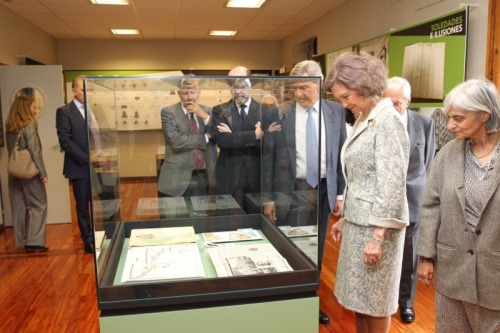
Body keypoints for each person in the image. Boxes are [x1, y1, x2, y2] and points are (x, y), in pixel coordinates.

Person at [327, 52, 410, 333]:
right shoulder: (366, 117)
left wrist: (378, 236)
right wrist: (346, 217)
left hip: (377, 230)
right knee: (360, 301)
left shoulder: (388, 120)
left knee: (375, 303)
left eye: (347, 96)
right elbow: (361, 177)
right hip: (359, 223)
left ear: (365, 87)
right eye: (340, 98)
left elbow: (392, 183)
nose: (344, 103)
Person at [262, 60, 347, 324]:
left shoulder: (336, 112)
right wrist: (268, 198)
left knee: (316, 248)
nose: (299, 94)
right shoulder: (280, 113)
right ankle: (289, 301)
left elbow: (341, 155)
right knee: (292, 245)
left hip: (323, 190)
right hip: (292, 190)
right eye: (295, 88)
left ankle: (310, 300)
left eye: (305, 87)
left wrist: (341, 194)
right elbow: (269, 157)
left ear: (319, 85)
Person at [417, 78, 500, 332]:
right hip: (452, 272)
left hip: (494, 276)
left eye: (459, 118)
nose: (450, 125)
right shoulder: (447, 155)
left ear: (484, 115)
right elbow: (431, 206)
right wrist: (426, 256)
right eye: (449, 117)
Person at [383, 76, 436, 324]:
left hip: (413, 199)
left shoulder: (424, 124)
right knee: (382, 252)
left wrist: (417, 189)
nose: (392, 108)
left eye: (397, 103)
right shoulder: (378, 123)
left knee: (410, 255)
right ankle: (384, 299)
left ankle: (406, 302)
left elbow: (427, 163)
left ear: (409, 101)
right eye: (387, 102)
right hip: (384, 199)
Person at [211, 66, 266, 211]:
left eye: (242, 86)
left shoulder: (264, 110)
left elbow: (266, 144)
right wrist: (254, 136)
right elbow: (223, 141)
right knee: (227, 221)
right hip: (228, 175)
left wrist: (233, 135)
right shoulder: (219, 110)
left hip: (256, 175)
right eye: (234, 87)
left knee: (255, 221)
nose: (238, 92)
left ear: (251, 85)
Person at [157, 77, 216, 198]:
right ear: (179, 94)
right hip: (176, 174)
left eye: (193, 92)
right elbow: (176, 141)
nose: (189, 97)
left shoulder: (209, 111)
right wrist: (205, 137)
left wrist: (204, 116)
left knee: (199, 213)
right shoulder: (168, 112)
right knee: (175, 215)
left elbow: (219, 135)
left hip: (202, 173)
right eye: (185, 93)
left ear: (199, 93)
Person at [56, 75, 96, 253]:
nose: (88, 93)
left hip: (96, 165)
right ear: (74, 91)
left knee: (98, 202)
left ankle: (99, 233)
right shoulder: (64, 111)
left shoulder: (91, 109)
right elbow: (65, 141)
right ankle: (87, 239)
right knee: (82, 204)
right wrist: (87, 157)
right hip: (79, 166)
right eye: (83, 89)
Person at [5, 95, 49, 252]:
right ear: (25, 108)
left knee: (19, 206)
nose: (35, 109)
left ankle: (22, 240)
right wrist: (43, 173)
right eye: (33, 107)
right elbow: (35, 151)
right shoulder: (29, 124)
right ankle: (35, 242)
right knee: (39, 204)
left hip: (14, 172)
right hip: (29, 172)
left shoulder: (10, 126)